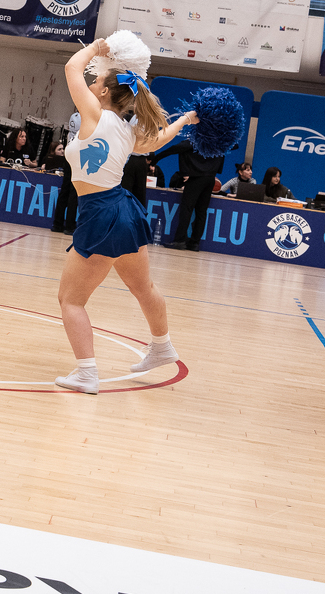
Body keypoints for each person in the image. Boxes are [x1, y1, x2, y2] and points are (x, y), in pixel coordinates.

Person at [53, 39, 198, 394]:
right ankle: (162, 346)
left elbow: (71, 68)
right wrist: (185, 120)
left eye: (97, 80)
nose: (92, 82)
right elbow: (158, 140)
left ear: (104, 92)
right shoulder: (126, 129)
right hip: (125, 209)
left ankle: (86, 373)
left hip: (100, 213)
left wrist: (95, 48)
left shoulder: (94, 113)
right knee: (143, 287)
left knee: (71, 300)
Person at [149, 139, 224, 251]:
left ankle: (179, 241)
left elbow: (174, 149)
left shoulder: (195, 141)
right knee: (201, 212)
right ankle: (195, 243)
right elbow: (233, 146)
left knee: (186, 209)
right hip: (210, 179)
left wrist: (155, 159)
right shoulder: (217, 141)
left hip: (196, 177)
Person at [44, 140, 78, 235]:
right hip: (77, 155)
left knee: (65, 191)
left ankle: (57, 224)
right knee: (73, 193)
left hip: (70, 153)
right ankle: (70, 226)